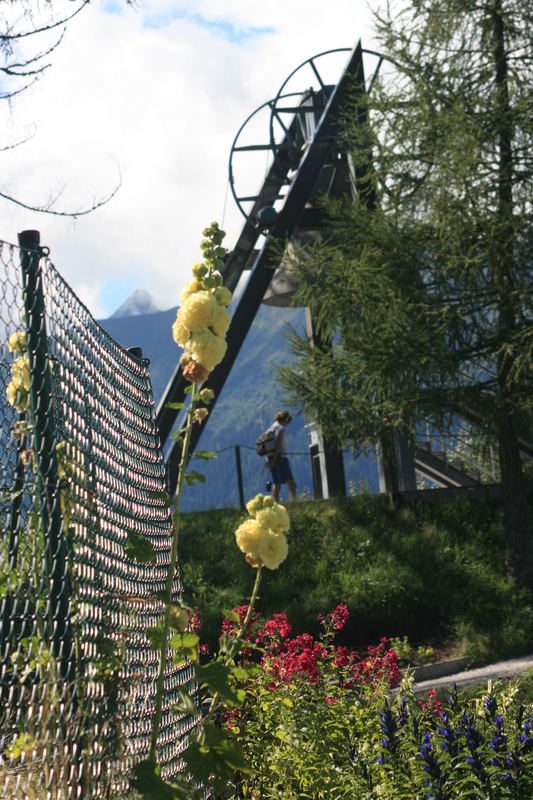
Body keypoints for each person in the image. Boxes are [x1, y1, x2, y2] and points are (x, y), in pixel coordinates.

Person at [266, 410, 297, 502]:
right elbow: (279, 444)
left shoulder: (271, 428)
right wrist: (275, 458)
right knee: (291, 483)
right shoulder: (280, 428)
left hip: (270, 457)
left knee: (276, 482)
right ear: (285, 420)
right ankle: (294, 502)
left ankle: (277, 503)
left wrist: (269, 459)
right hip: (280, 457)